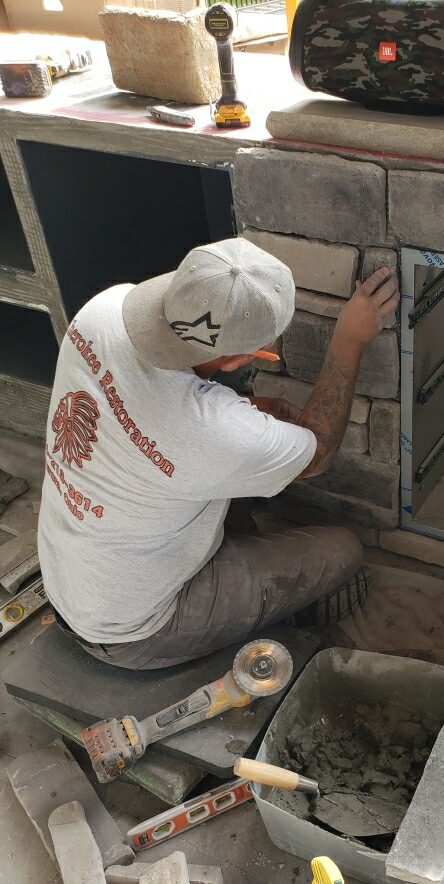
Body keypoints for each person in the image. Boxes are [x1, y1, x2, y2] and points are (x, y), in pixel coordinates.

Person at [37, 237, 399, 670]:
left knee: (227, 489)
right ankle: (267, 617)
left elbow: (146, 410)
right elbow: (317, 453)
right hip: (135, 628)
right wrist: (349, 340)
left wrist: (247, 422)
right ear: (239, 359)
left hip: (69, 574)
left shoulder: (103, 311)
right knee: (341, 551)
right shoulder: (214, 432)